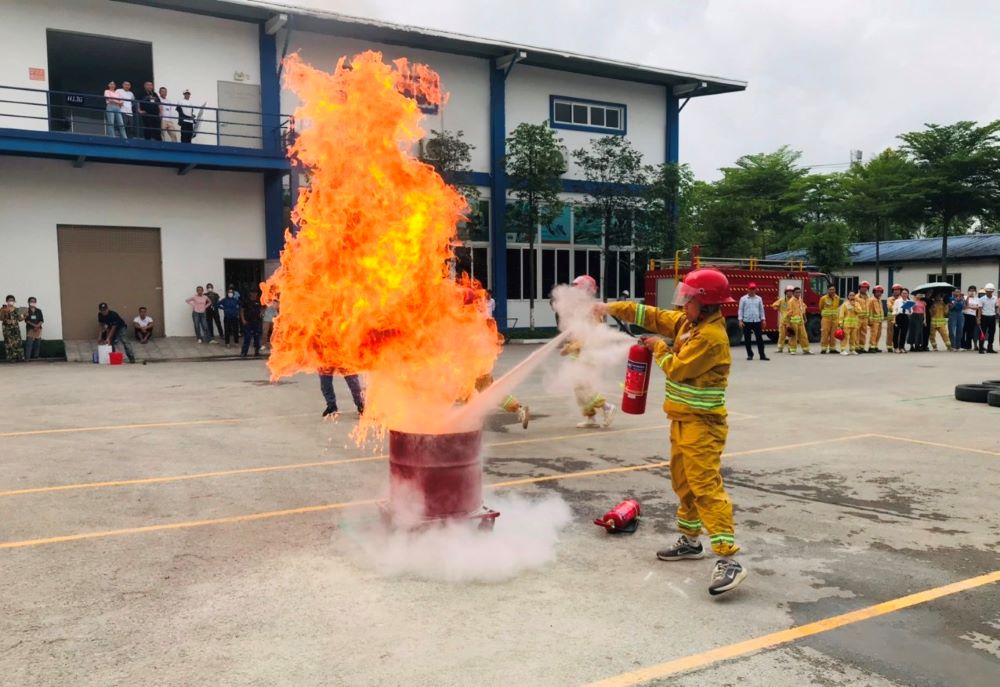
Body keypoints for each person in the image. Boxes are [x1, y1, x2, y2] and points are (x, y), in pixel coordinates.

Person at [602, 268, 746, 596]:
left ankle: (728, 558)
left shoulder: (711, 338)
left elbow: (678, 370)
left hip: (703, 424)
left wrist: (657, 348)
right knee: (682, 481)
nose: (682, 305)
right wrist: (610, 308)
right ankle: (691, 541)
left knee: (705, 486)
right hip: (682, 420)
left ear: (705, 303)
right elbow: (652, 315)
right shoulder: (689, 324)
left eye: (688, 299)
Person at [562, 275, 615, 429]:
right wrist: (570, 345)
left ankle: (607, 407)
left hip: (588, 354)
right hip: (578, 354)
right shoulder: (579, 309)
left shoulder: (593, 310)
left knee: (583, 386)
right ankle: (590, 418)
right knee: (578, 389)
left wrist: (573, 346)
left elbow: (592, 335)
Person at [737, 282, 768, 361]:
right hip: (747, 321)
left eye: (754, 289)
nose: (752, 291)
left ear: (756, 290)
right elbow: (740, 310)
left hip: (756, 321)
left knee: (759, 339)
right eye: (751, 289)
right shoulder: (743, 299)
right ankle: (750, 354)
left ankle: (762, 355)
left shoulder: (759, 299)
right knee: (747, 339)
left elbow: (761, 310)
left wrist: (763, 319)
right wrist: (740, 320)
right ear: (748, 289)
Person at [786, 287, 811, 355]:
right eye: (796, 292)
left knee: (804, 335)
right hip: (793, 322)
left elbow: (802, 310)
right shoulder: (791, 301)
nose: (798, 294)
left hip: (800, 321)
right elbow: (788, 313)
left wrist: (805, 318)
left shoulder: (800, 300)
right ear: (793, 293)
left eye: (799, 292)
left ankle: (806, 349)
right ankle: (793, 350)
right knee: (794, 336)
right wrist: (789, 323)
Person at [770, 286, 794, 353]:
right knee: (782, 335)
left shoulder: (795, 301)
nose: (790, 293)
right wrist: (779, 309)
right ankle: (780, 348)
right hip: (783, 321)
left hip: (792, 321)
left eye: (791, 292)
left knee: (791, 335)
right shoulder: (782, 300)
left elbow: (802, 307)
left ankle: (790, 348)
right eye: (788, 292)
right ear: (785, 292)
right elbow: (774, 305)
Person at [817, 285, 840, 354]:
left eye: (833, 289)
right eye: (830, 289)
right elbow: (820, 307)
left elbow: (837, 307)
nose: (832, 291)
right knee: (825, 333)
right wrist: (825, 314)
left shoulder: (837, 298)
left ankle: (832, 348)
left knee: (833, 334)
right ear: (828, 290)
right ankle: (824, 348)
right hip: (826, 319)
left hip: (835, 319)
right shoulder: (823, 298)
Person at [2, 295, 25, 362]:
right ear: (7, 301)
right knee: (9, 343)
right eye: (9, 300)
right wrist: (4, 311)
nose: (11, 301)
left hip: (16, 329)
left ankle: (20, 357)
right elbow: (1, 318)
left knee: (18, 342)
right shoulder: (3, 309)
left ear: (14, 301)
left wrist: (25, 316)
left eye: (12, 300)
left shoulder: (17, 309)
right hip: (7, 329)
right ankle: (11, 358)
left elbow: (20, 319)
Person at [240, 291, 263, 357]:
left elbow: (263, 307)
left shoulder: (259, 301)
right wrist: (243, 320)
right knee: (247, 337)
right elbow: (241, 310)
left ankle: (257, 351)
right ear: (250, 293)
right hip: (248, 322)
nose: (254, 294)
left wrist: (262, 312)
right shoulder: (246, 301)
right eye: (253, 293)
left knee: (257, 337)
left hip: (256, 322)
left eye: (255, 293)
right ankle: (244, 352)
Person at [892, 288, 912, 353]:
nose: (904, 294)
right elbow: (894, 310)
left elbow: (911, 311)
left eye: (906, 293)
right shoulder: (897, 301)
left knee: (904, 333)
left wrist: (909, 309)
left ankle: (902, 347)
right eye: (903, 293)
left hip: (905, 317)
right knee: (896, 333)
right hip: (898, 316)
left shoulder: (909, 302)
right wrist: (894, 318)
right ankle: (896, 347)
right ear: (901, 294)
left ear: (908, 294)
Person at [978, 283, 997, 354]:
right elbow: (980, 309)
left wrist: (997, 313)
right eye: (988, 291)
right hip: (984, 317)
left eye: (991, 291)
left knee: (992, 333)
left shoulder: (995, 298)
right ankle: (981, 348)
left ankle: (990, 348)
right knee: (982, 333)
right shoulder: (982, 299)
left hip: (992, 317)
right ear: (985, 291)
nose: (989, 292)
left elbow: (996, 307)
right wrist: (979, 318)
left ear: (993, 291)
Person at [867, 285, 886, 352]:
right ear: (874, 292)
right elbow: (870, 311)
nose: (879, 293)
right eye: (877, 292)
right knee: (874, 334)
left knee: (879, 334)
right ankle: (871, 347)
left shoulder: (879, 300)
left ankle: (875, 346)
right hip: (874, 321)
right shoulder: (871, 300)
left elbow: (881, 310)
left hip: (879, 320)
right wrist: (870, 320)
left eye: (880, 292)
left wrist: (882, 318)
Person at [961, 286, 981, 351]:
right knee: (963, 331)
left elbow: (977, 308)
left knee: (970, 331)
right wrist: (968, 298)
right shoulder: (964, 297)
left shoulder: (977, 299)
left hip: (972, 316)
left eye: (973, 291)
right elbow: (964, 306)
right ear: (968, 291)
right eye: (970, 290)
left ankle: (968, 346)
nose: (972, 292)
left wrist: (969, 306)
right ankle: (962, 345)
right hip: (964, 315)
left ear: (976, 292)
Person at [854, 281, 872, 353]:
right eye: (863, 288)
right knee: (857, 333)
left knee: (864, 333)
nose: (864, 289)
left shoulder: (868, 297)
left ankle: (862, 347)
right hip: (858, 318)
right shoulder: (856, 297)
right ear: (859, 288)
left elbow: (869, 308)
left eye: (866, 288)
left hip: (865, 318)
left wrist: (869, 318)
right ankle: (856, 347)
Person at [886, 284, 903, 352]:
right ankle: (889, 346)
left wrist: (896, 307)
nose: (896, 291)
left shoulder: (902, 299)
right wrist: (897, 307)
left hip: (899, 317)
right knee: (890, 333)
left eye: (898, 290)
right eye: (895, 290)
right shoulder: (889, 299)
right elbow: (890, 307)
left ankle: (898, 345)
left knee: (898, 332)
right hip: (891, 318)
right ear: (892, 291)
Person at [947, 287, 965, 352]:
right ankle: (953, 346)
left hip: (960, 314)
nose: (957, 293)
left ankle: (958, 346)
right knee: (952, 330)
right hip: (952, 314)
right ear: (953, 292)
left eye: (959, 292)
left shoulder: (962, 299)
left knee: (960, 330)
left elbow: (964, 307)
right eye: (956, 291)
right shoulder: (950, 298)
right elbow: (950, 307)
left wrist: (962, 300)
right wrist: (956, 301)